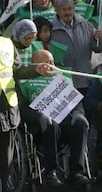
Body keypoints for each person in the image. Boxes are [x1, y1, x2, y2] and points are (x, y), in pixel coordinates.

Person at [16, 50, 90, 186]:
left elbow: (76, 103)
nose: (51, 65)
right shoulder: (24, 81)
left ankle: (76, 171)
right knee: (51, 124)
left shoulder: (63, 79)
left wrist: (79, 114)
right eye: (46, 62)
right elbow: (23, 109)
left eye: (51, 61)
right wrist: (40, 117)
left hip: (64, 122)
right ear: (35, 65)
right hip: (41, 125)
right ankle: (51, 172)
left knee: (80, 125)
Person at [0, 37, 53, 191]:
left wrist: (35, 69)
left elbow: (17, 70)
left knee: (5, 160)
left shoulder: (6, 43)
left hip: (7, 109)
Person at [51, 0, 102, 95]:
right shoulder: (51, 29)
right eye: (64, 9)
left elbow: (98, 49)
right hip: (63, 81)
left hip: (85, 79)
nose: (67, 12)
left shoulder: (86, 25)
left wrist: (98, 39)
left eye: (70, 9)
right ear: (57, 11)